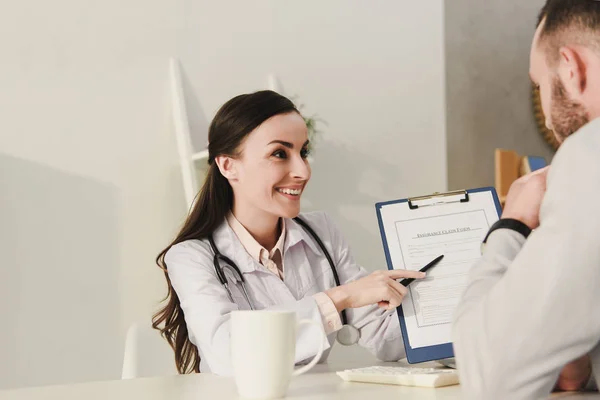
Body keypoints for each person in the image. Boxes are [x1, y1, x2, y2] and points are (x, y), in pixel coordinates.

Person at [152, 90, 424, 375]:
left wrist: (447, 297)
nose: (303, 171)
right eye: (279, 153)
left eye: (303, 152)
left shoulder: (322, 232)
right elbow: (228, 354)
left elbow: (381, 336)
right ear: (228, 166)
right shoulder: (190, 257)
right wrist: (339, 299)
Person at [453, 0, 600, 398]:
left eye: (540, 86)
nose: (549, 116)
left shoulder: (589, 153)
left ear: (571, 68)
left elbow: (488, 377)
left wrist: (511, 224)